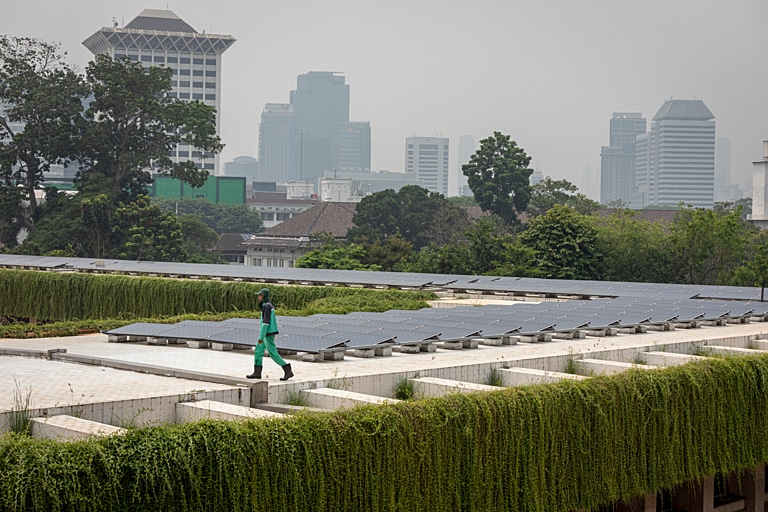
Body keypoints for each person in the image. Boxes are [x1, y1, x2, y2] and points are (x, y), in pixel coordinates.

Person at [246, 288, 294, 381]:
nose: (258, 297)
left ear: (264, 296)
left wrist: (261, 336)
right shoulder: (266, 305)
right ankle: (257, 372)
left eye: (260, 295)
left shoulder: (267, 306)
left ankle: (287, 370)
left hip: (267, 333)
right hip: (266, 333)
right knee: (258, 351)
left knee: (272, 353)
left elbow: (265, 323)